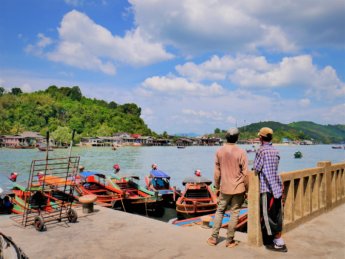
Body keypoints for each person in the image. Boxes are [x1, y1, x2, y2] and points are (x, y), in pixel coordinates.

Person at [207, 128, 248, 248]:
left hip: (225, 188)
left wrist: (217, 186)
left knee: (220, 211)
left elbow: (217, 173)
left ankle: (214, 238)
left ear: (226, 137)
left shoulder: (219, 152)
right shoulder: (241, 152)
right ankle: (229, 240)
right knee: (235, 213)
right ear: (237, 138)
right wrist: (247, 189)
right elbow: (245, 174)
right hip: (239, 188)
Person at [253, 127, 287, 252]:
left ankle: (276, 242)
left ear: (261, 138)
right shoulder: (275, 150)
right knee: (277, 214)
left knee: (267, 216)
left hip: (266, 187)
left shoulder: (261, 151)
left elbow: (256, 168)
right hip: (276, 186)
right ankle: (277, 240)